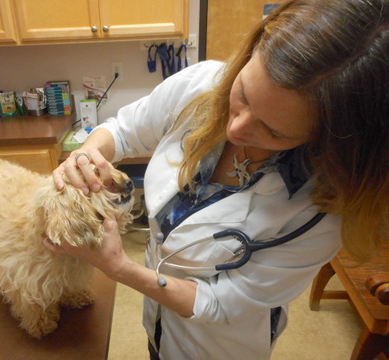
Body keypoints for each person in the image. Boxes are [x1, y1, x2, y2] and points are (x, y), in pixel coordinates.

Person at [44, 0, 389, 358]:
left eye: (272, 131)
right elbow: (125, 129)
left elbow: (219, 305)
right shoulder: (203, 83)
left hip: (217, 346)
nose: (236, 128)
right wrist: (87, 151)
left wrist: (118, 268)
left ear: (327, 138)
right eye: (244, 94)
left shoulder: (319, 211)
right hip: (158, 317)